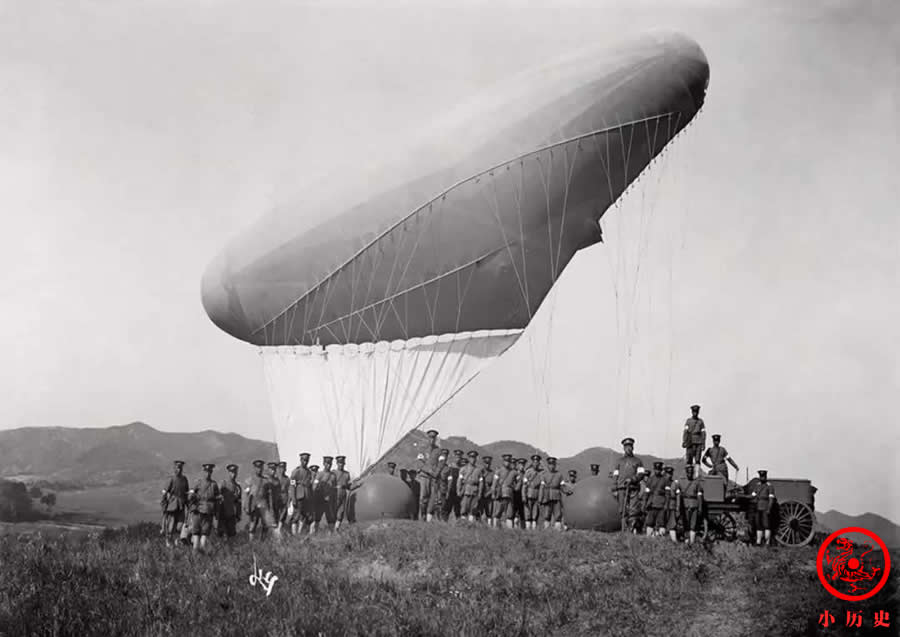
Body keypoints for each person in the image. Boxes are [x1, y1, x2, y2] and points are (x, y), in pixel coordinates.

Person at [611, 438, 645, 533]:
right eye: (626, 447)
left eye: (630, 446)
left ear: (633, 447)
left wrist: (633, 479)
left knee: (633, 510)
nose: (628, 448)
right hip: (621, 488)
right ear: (623, 448)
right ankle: (624, 531)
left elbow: (641, 474)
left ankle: (632, 530)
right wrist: (614, 489)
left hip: (633, 488)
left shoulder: (638, 461)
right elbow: (615, 475)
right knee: (622, 510)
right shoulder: (619, 461)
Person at [189, 462, 220, 552]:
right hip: (197, 513)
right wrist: (192, 497)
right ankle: (194, 558)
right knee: (196, 539)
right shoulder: (198, 483)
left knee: (203, 539)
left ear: (211, 472)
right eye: (206, 471)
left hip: (208, 514)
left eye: (210, 471)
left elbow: (217, 500)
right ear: (203, 472)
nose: (208, 473)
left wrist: (216, 514)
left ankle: (200, 558)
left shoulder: (214, 484)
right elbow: (190, 496)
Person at [161, 460, 189, 547]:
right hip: (172, 506)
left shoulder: (184, 479)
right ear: (174, 468)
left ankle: (177, 542)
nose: (179, 469)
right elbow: (164, 492)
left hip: (181, 505)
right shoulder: (171, 479)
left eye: (180, 468)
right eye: (177, 467)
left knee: (179, 526)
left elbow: (186, 493)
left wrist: (189, 504)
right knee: (170, 527)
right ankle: (169, 543)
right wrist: (164, 504)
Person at [245, 459, 275, 541]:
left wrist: (270, 507)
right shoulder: (249, 480)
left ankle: (262, 541)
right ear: (254, 468)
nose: (259, 469)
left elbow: (269, 495)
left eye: (261, 467)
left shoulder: (266, 481)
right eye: (257, 467)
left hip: (264, 504)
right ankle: (251, 543)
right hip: (253, 505)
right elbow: (247, 495)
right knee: (253, 524)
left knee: (266, 525)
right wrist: (247, 507)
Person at [641, 462, 668, 537]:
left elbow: (667, 494)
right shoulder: (650, 479)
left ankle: (661, 539)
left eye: (659, 469)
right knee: (650, 522)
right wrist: (644, 504)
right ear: (654, 469)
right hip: (651, 504)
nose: (657, 471)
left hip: (661, 504)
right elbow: (646, 493)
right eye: (656, 469)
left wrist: (666, 505)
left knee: (661, 523)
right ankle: (649, 538)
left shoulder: (665, 480)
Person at [680, 464, 704, 544]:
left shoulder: (697, 483)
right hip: (685, 505)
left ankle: (692, 542)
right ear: (686, 473)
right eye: (688, 472)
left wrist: (700, 507)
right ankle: (687, 541)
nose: (690, 474)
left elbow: (699, 496)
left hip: (694, 505)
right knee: (686, 524)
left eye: (691, 472)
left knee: (693, 525)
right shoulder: (681, 482)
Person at [312, 456, 337, 534]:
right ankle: (314, 533)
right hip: (320, 500)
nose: (328, 465)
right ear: (324, 464)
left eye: (330, 464)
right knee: (317, 518)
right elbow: (314, 486)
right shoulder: (320, 474)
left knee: (331, 519)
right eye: (327, 463)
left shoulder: (333, 475)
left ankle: (331, 535)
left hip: (329, 500)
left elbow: (334, 487)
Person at [289, 452, 313, 535]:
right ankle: (294, 533)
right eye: (304, 460)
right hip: (299, 496)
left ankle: (300, 533)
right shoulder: (296, 472)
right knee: (296, 515)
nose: (305, 462)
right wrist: (293, 498)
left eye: (307, 461)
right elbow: (292, 486)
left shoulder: (309, 472)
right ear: (301, 460)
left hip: (307, 496)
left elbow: (310, 485)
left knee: (304, 516)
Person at [751, 470, 776, 546]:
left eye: (763, 477)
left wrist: (769, 508)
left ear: (765, 477)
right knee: (758, 525)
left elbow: (771, 499)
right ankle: (758, 542)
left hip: (765, 507)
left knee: (766, 525)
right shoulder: (757, 485)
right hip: (758, 507)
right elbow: (753, 495)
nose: (762, 478)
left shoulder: (769, 486)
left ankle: (767, 542)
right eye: (761, 477)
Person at [217, 463, 242, 539]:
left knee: (232, 535)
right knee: (223, 535)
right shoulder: (223, 483)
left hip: (232, 514)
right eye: (231, 472)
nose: (233, 474)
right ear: (228, 472)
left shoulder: (238, 487)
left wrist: (238, 514)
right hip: (223, 513)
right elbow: (217, 496)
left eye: (235, 472)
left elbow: (238, 502)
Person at [460, 451, 484, 522]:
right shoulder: (463, 469)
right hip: (466, 491)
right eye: (471, 458)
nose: (473, 459)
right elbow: (459, 481)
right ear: (469, 458)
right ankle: (463, 524)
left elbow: (481, 482)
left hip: (475, 491)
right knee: (464, 509)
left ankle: (471, 525)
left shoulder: (479, 470)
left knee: (473, 509)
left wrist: (480, 492)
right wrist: (459, 490)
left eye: (474, 458)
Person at [493, 455, 516, 529]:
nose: (507, 463)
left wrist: (516, 487)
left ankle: (509, 530)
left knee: (510, 513)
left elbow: (519, 481)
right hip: (500, 494)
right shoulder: (498, 471)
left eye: (509, 461)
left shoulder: (513, 472)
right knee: (498, 513)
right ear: (503, 461)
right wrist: (493, 493)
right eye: (506, 461)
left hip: (510, 495)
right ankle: (495, 529)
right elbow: (494, 483)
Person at [682, 404, 706, 472]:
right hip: (690, 442)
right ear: (692, 412)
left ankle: (696, 475)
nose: (695, 413)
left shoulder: (701, 421)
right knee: (689, 459)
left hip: (698, 442)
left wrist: (703, 444)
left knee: (697, 460)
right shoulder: (688, 421)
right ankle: (688, 475)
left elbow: (703, 433)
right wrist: (684, 441)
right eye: (694, 412)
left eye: (696, 412)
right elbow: (685, 432)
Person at [427, 453, 450, 522]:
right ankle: (428, 522)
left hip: (442, 490)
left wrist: (448, 491)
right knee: (431, 507)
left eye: (443, 461)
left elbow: (448, 480)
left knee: (442, 507)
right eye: (440, 461)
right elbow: (432, 475)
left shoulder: (447, 469)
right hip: (435, 490)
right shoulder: (434, 467)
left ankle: (442, 522)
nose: (441, 463)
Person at [523, 454, 542, 530]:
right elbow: (524, 485)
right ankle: (528, 529)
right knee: (528, 513)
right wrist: (523, 496)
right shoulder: (528, 472)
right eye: (534, 461)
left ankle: (533, 530)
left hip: (537, 495)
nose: (536, 463)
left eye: (537, 461)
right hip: (528, 494)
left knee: (535, 514)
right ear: (532, 462)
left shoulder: (541, 473)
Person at [334, 456, 351, 531]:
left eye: (342, 463)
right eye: (339, 463)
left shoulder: (347, 474)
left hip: (343, 494)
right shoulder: (333, 473)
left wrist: (356, 485)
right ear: (337, 463)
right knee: (333, 512)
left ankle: (336, 528)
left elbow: (349, 486)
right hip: (335, 494)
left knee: (341, 512)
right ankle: (331, 529)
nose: (341, 465)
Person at [663, 465, 679, 542]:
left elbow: (677, 495)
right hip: (662, 505)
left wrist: (677, 507)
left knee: (672, 524)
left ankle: (673, 541)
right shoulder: (662, 482)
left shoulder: (674, 483)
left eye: (670, 474)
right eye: (668, 473)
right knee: (661, 523)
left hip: (672, 505)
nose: (669, 475)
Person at [276, 461, 291, 533]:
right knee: (276, 516)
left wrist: (289, 501)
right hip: (276, 500)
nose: (282, 470)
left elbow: (290, 490)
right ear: (278, 468)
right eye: (280, 468)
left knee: (283, 517)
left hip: (285, 499)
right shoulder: (275, 478)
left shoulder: (288, 479)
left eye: (283, 468)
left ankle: (280, 531)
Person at [480, 456, 495, 525]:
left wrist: (489, 493)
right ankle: (478, 525)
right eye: (486, 463)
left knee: (489, 513)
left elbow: (494, 485)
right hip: (480, 495)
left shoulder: (492, 473)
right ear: (483, 463)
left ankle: (489, 526)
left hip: (488, 496)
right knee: (479, 512)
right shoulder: (480, 472)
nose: (487, 465)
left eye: (489, 463)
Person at [513, 458, 527, 528]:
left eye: (523, 464)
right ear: (518, 464)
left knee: (522, 513)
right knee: (514, 512)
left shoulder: (526, 473)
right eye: (521, 464)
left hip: (523, 496)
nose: (522, 466)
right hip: (515, 495)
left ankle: (523, 529)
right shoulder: (515, 473)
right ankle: (513, 529)